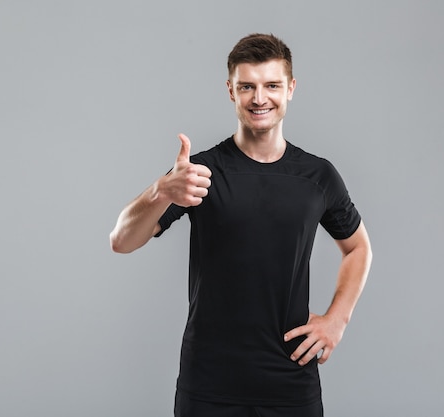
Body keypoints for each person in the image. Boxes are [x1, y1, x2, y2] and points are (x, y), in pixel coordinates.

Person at [109, 33, 372, 417]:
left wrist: (337, 320)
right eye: (247, 86)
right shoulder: (199, 172)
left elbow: (358, 248)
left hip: (290, 383)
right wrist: (160, 190)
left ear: (291, 89)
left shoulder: (317, 176)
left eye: (272, 86)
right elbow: (121, 240)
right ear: (231, 91)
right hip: (208, 385)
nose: (259, 98)